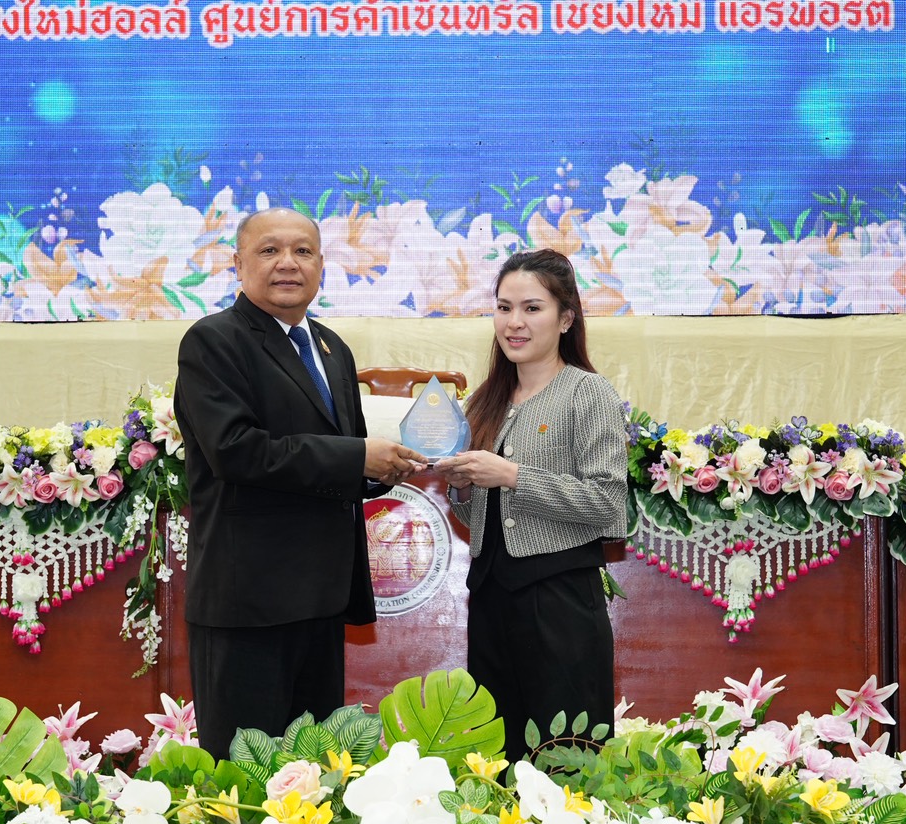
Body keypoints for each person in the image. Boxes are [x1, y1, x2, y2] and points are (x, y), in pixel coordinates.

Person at [175, 208, 427, 758]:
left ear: (321, 265)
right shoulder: (213, 341)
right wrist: (358, 457)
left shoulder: (332, 348)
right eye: (269, 250)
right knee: (246, 777)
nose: (288, 263)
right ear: (237, 263)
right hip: (249, 601)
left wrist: (385, 469)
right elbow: (236, 450)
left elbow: (341, 459)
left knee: (315, 777)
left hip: (321, 599)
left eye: (303, 251)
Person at [434, 249, 627, 760]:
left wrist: (512, 475)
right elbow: (479, 518)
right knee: (496, 754)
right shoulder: (485, 400)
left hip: (560, 597)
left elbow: (608, 503)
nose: (513, 323)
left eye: (531, 308)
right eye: (503, 308)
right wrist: (464, 488)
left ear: (566, 319)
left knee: (566, 753)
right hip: (491, 596)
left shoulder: (587, 393)